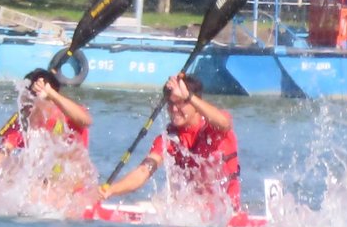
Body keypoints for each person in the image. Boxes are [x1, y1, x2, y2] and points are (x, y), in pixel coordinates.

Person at [100, 73, 241, 213]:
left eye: (180, 103)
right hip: (192, 211)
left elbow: (225, 123)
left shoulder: (214, 125)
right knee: (141, 206)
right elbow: (144, 171)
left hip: (226, 212)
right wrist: (111, 190)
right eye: (170, 103)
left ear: (194, 102)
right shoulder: (169, 139)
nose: (174, 109)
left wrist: (189, 96)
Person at [0, 67, 94, 190]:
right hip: (44, 188)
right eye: (23, 97)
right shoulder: (23, 124)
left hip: (73, 188)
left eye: (29, 98)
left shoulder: (66, 114)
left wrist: (52, 94)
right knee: (9, 174)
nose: (24, 103)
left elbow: (86, 121)